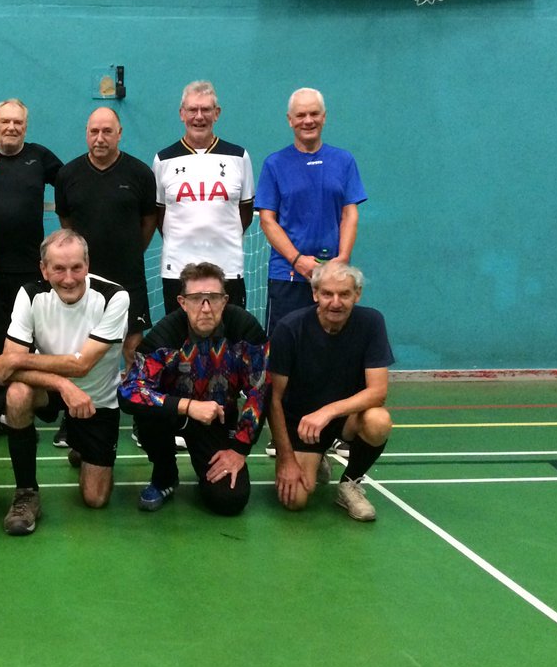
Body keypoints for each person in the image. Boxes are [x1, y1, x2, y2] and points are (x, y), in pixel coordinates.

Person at [0, 229, 130, 535]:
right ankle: (26, 493)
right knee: (17, 394)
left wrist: (15, 360)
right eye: (58, 269)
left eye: (76, 267)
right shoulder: (30, 294)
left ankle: (82, 445)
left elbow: (81, 365)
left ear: (87, 264)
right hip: (53, 392)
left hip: (96, 400)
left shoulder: (114, 297)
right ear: (44, 269)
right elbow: (5, 372)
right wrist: (63, 385)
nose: (68, 278)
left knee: (96, 499)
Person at [119, 262, 267, 516]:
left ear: (225, 300)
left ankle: (207, 471)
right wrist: (187, 406)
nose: (206, 308)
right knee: (148, 414)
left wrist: (239, 449)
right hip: (173, 418)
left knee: (230, 500)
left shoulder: (245, 329)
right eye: (197, 298)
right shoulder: (164, 336)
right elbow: (130, 391)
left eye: (214, 298)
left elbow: (260, 390)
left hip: (217, 421)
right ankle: (165, 476)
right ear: (182, 302)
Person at [0, 99, 62, 442]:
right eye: (5, 122)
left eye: (17, 122)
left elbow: (71, 183)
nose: (11, 127)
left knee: (33, 342)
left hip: (33, 272)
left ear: (26, 125)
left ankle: (26, 409)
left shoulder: (41, 158)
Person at [267, 261, 393, 521]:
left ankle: (350, 484)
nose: (336, 302)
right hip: (302, 426)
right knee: (295, 501)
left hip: (342, 421)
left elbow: (378, 392)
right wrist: (286, 458)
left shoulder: (371, 322)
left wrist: (328, 411)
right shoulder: (290, 329)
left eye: (345, 294)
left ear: (357, 295)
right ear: (315, 294)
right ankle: (315, 458)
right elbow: (273, 399)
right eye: (327, 294)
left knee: (378, 420)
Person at [255, 87, 366, 334]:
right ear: (290, 120)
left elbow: (350, 214)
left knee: (333, 349)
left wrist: (343, 260)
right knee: (283, 351)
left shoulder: (344, 161)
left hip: (334, 277)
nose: (308, 121)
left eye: (314, 114)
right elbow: (267, 221)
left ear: (324, 117)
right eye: (301, 115)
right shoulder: (274, 164)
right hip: (288, 275)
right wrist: (298, 261)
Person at [54, 107, 156, 368]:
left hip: (129, 277)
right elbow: (66, 224)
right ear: (86, 134)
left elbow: (149, 222)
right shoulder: (67, 175)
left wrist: (131, 251)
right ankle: (80, 406)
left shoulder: (141, 173)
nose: (100, 138)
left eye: (107, 131)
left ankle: (137, 406)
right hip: (83, 280)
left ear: (119, 134)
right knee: (81, 345)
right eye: (94, 131)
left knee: (133, 347)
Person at [153, 81, 255, 314]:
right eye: (192, 110)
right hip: (177, 269)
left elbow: (245, 214)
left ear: (216, 114)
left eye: (206, 110)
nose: (199, 117)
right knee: (181, 342)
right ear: (182, 114)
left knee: (229, 340)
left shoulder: (239, 157)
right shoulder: (163, 160)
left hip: (228, 267)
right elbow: (160, 215)